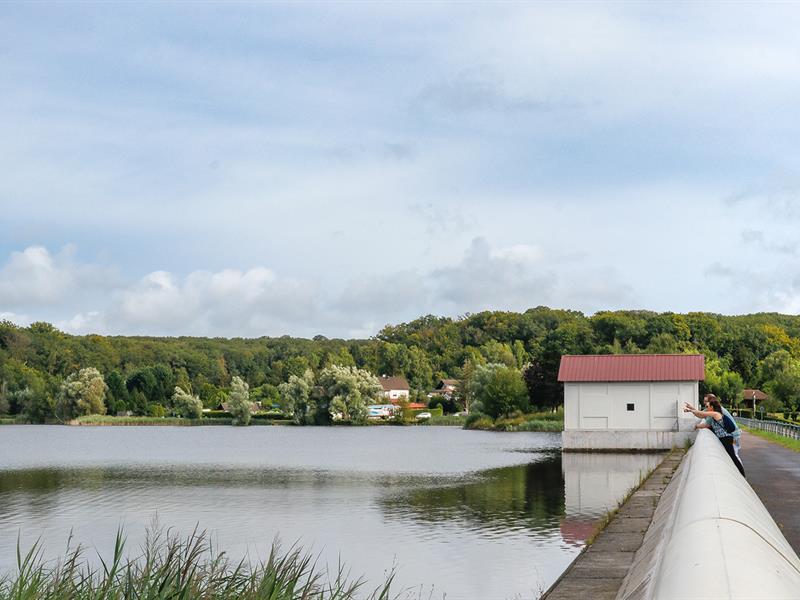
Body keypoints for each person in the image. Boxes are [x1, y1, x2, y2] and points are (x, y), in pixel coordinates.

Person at [684, 398, 745, 477]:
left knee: (732, 457)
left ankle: (742, 475)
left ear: (712, 407)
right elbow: (705, 424)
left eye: (708, 406)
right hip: (723, 439)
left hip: (726, 439)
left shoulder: (716, 414)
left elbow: (701, 414)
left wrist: (689, 410)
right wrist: (697, 425)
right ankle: (740, 474)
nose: (707, 408)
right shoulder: (712, 417)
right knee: (730, 457)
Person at [695, 394, 742, 462]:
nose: (704, 403)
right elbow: (700, 414)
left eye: (706, 401)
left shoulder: (715, 412)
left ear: (711, 402)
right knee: (733, 456)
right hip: (732, 434)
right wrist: (691, 409)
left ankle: (739, 472)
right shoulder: (715, 409)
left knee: (734, 456)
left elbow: (706, 424)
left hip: (733, 435)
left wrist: (697, 426)